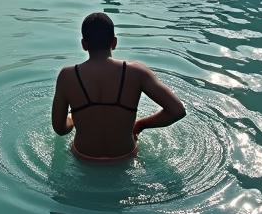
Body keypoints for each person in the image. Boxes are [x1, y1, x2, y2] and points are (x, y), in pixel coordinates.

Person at [51, 12, 185, 163]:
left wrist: (73, 119)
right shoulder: (137, 72)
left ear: (83, 44)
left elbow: (60, 129)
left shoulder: (67, 76)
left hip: (83, 159)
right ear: (114, 42)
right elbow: (177, 110)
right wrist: (141, 124)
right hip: (125, 157)